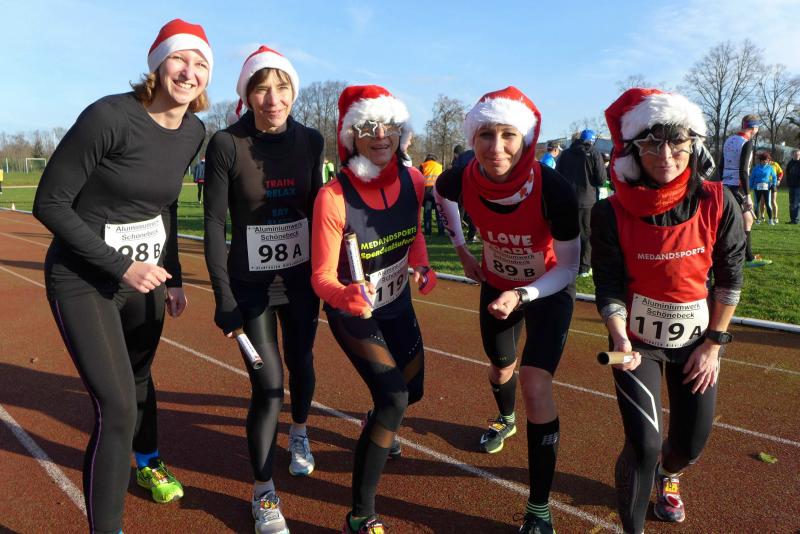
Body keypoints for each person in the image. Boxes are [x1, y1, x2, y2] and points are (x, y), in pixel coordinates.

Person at [32, 19, 211, 534]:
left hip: (146, 275)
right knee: (115, 408)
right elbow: (50, 203)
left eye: (201, 64)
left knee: (139, 379)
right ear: (157, 64)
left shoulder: (194, 132)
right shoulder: (108, 117)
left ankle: (147, 463)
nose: (190, 71)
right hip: (84, 276)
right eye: (180, 59)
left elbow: (165, 206)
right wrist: (121, 266)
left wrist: (173, 275)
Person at [592, 88, 745, 534]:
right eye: (652, 144)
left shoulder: (718, 201)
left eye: (677, 143)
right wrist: (619, 335)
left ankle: (669, 473)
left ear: (693, 145)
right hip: (635, 342)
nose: (665, 156)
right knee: (643, 443)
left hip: (699, 341)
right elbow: (608, 284)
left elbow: (730, 279)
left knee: (689, 444)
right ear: (633, 151)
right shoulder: (609, 211)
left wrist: (714, 345)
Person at [435, 87, 580, 534]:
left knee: (535, 384)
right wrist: (462, 250)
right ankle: (506, 418)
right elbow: (441, 193)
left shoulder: (554, 189)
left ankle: (538, 509)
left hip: (547, 290)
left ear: (526, 140)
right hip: (496, 284)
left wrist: (523, 294)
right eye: (485, 135)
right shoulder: (460, 177)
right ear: (472, 139)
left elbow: (569, 267)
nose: (495, 147)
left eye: (508, 135)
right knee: (501, 370)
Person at [203, 45, 323, 534]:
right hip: (250, 285)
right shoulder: (226, 144)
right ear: (247, 95)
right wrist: (223, 298)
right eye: (261, 89)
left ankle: (300, 432)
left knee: (302, 362)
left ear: (294, 92)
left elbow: (319, 210)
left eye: (282, 87)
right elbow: (214, 224)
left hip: (300, 281)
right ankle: (263, 491)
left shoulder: (311, 140)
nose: (273, 99)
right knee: (268, 385)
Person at [311, 85, 437, 534]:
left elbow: (414, 232)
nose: (380, 135)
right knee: (394, 399)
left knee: (413, 390)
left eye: (389, 126)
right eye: (367, 127)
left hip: (397, 300)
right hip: (354, 312)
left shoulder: (415, 180)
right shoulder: (333, 197)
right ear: (351, 137)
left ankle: (374, 420)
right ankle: (361, 515)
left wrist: (422, 264)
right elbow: (321, 276)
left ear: (401, 132)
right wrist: (344, 295)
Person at [556, 128, 607, 277]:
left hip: (567, 198)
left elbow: (557, 175)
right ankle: (584, 267)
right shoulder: (594, 153)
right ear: (591, 141)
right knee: (585, 233)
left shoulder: (566, 153)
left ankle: (566, 263)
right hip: (587, 200)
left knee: (568, 232)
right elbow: (601, 179)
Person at [720, 114, 770, 266]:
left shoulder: (729, 140)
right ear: (754, 128)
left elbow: (721, 165)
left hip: (725, 185)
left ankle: (744, 255)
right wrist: (748, 195)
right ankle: (748, 258)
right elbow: (743, 170)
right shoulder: (746, 143)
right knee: (747, 220)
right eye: (757, 127)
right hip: (738, 186)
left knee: (734, 221)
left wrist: (721, 184)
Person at [419, 153, 444, 235]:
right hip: (437, 191)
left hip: (427, 192)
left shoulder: (423, 165)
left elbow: (419, 178)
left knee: (427, 212)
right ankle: (441, 231)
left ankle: (427, 231)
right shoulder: (440, 166)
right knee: (439, 212)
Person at [749, 152, 777, 225]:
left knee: (768, 204)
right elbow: (752, 178)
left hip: (767, 188)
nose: (766, 161)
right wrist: (750, 187)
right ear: (761, 160)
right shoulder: (756, 168)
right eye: (764, 160)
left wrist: (774, 184)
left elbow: (774, 177)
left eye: (767, 160)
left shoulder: (770, 168)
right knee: (756, 204)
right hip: (756, 188)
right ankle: (757, 220)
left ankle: (770, 220)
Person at [767, 154, 783, 224]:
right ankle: (762, 217)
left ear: (770, 159)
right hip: (765, 184)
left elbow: (781, 172)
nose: (767, 160)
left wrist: (779, 180)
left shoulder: (775, 164)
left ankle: (775, 217)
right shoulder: (763, 165)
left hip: (773, 184)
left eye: (768, 159)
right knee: (763, 202)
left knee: (773, 201)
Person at [786, 149, 800, 224]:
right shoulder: (790, 163)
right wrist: (789, 183)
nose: (797, 156)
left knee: (796, 203)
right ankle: (793, 219)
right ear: (792, 155)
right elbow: (787, 174)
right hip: (791, 186)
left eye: (798, 155)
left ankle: (795, 220)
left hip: (798, 186)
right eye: (796, 154)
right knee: (792, 203)